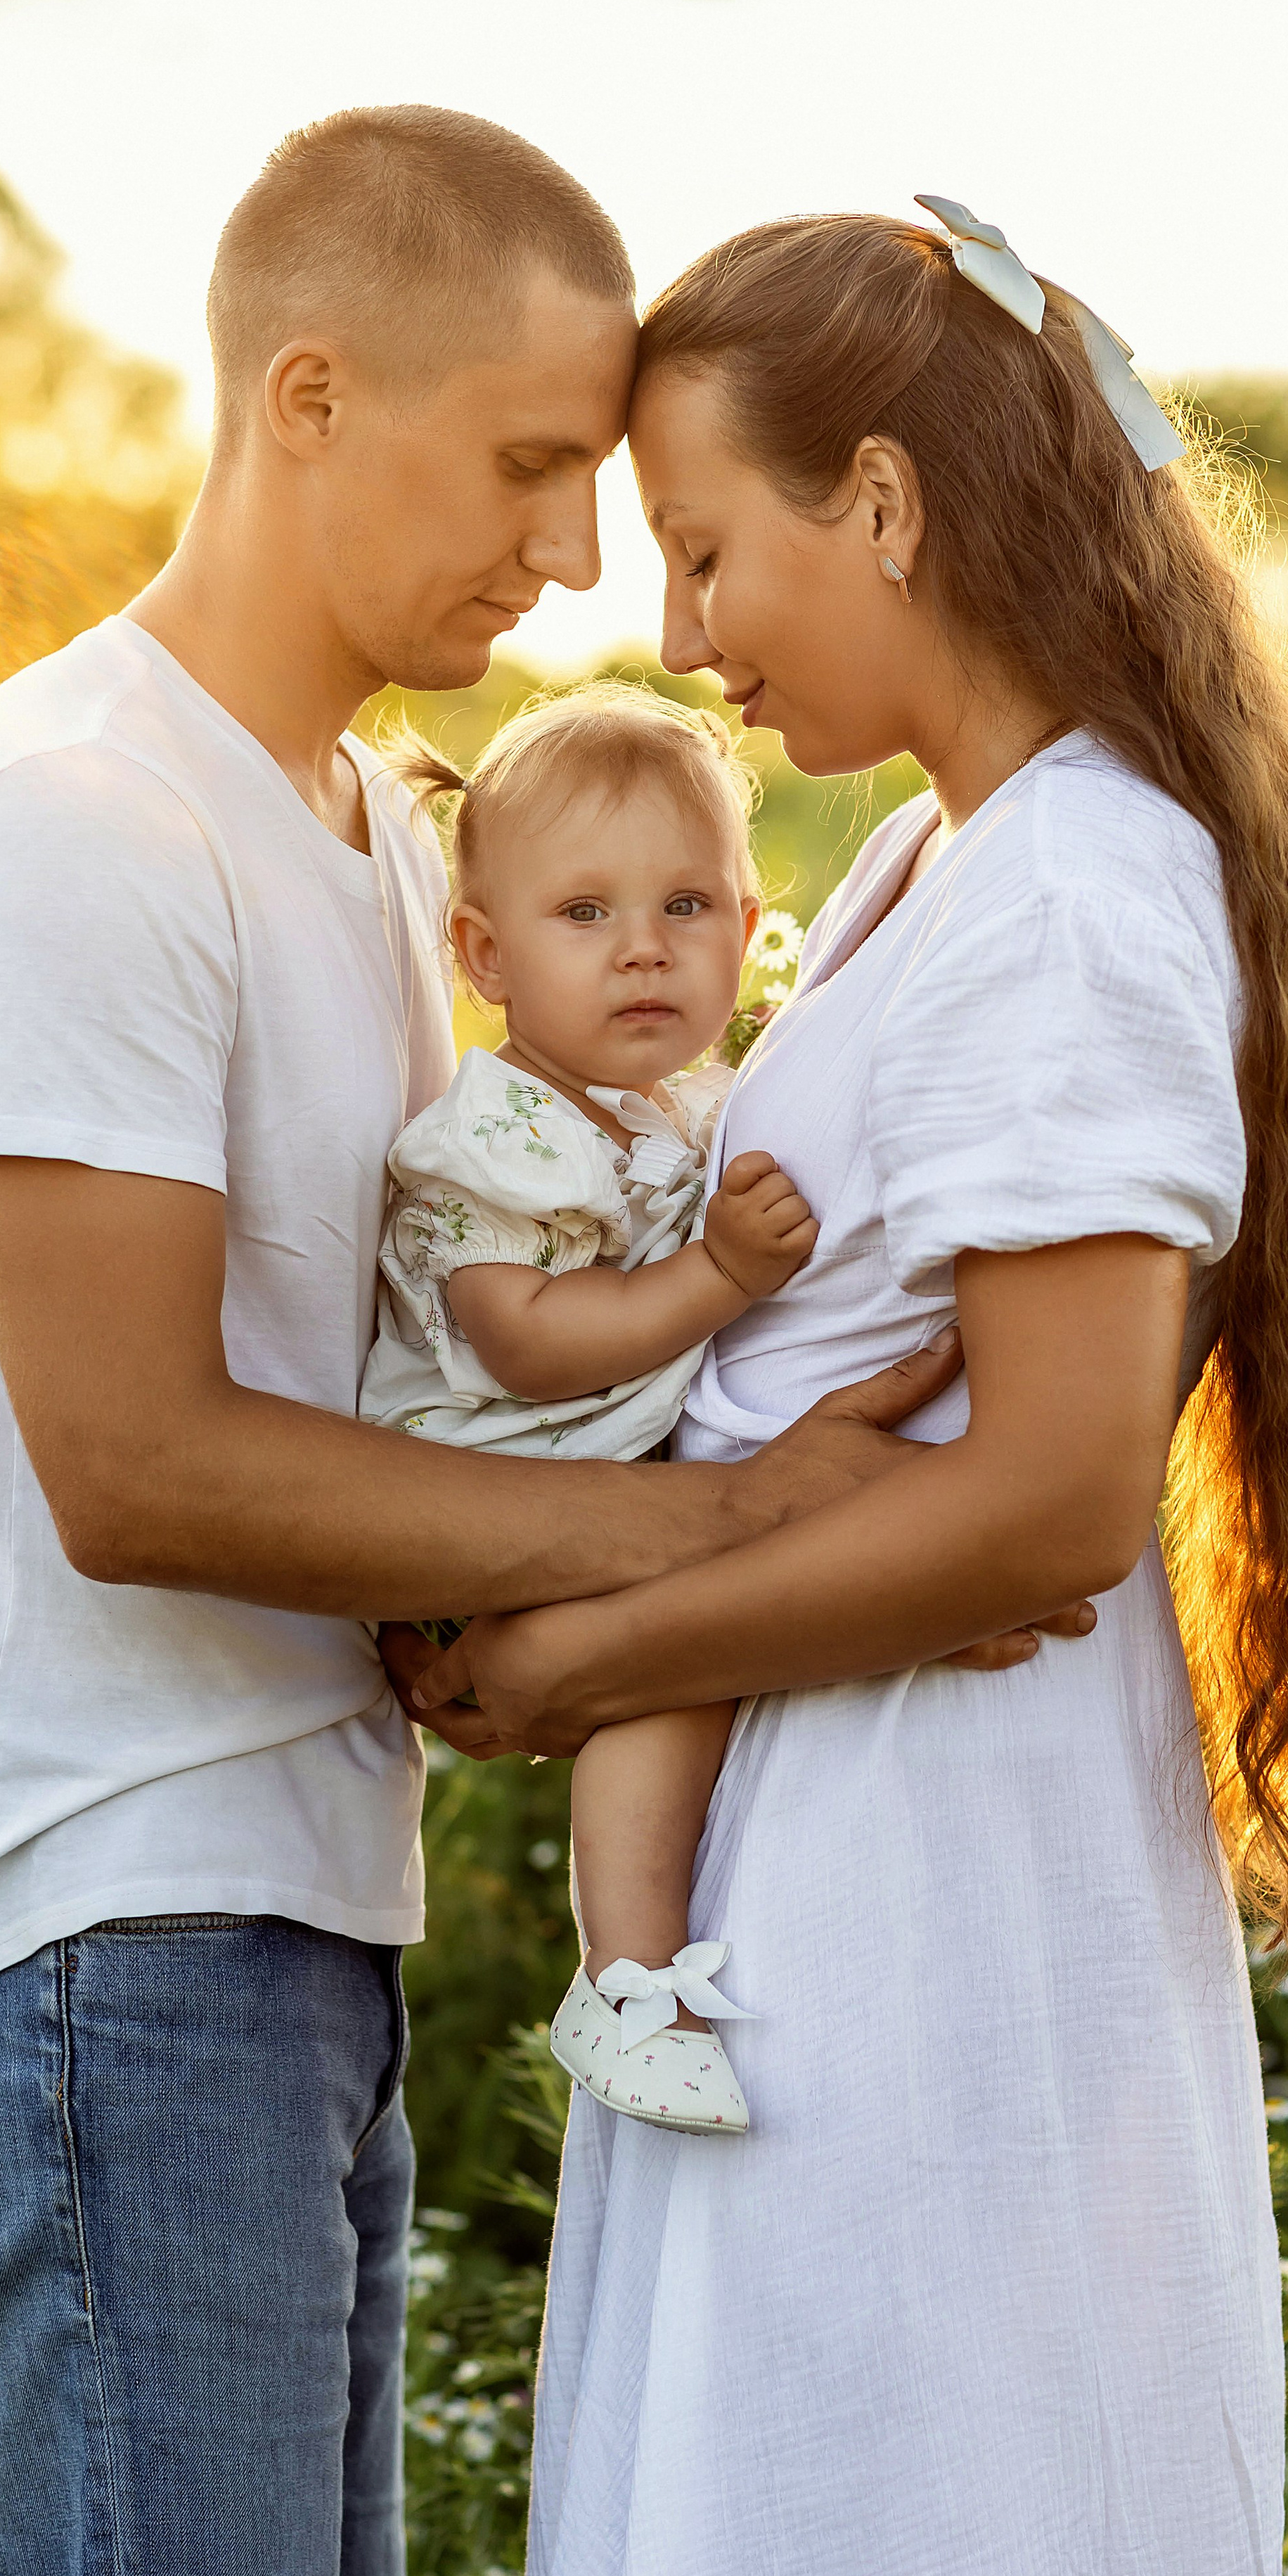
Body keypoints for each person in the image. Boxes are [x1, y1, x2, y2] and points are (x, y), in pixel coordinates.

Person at [0, 114, 1028, 2576]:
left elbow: (398, 1357)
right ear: (312, 398)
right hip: (88, 1930)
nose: (574, 556)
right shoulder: (81, 824)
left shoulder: (378, 833)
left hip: (274, 1908)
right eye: (533, 464)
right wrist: (730, 1525)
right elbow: (137, 1465)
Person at [401, 200, 1288, 2576]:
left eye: (705, 552)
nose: (682, 640)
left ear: (880, 503)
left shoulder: (1069, 886)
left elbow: (1056, 1498)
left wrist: (580, 1661)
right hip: (824, 1819)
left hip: (933, 1857)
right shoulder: (930, 860)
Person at [367, 686, 813, 2134]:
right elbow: (529, 1344)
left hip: (592, 1471)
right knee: (670, 1662)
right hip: (478, 1496)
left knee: (715, 1648)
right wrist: (719, 1276)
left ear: (746, 927)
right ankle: (624, 1980)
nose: (642, 947)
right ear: (484, 954)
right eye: (584, 913)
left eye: (686, 904)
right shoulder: (498, 1134)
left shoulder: (688, 1103)